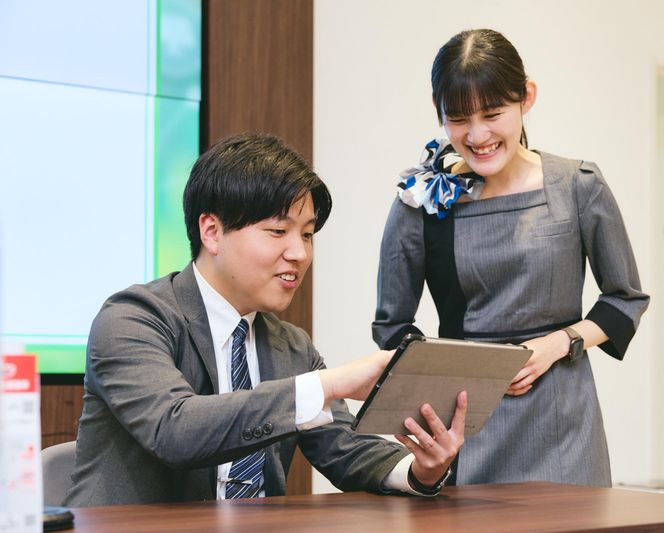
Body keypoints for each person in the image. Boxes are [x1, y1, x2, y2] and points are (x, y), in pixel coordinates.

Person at [64, 132, 466, 506]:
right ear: (212, 232)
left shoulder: (290, 345)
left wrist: (419, 469)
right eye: (277, 231)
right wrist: (330, 384)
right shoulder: (132, 319)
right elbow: (174, 430)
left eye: (307, 234)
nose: (300, 254)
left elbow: (344, 449)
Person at [373, 29, 649, 487]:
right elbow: (392, 326)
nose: (477, 135)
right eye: (458, 119)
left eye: (492, 114)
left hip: (564, 425)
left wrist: (555, 345)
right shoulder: (422, 202)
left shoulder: (577, 186)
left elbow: (624, 300)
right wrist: (445, 390)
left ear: (527, 98)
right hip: (467, 424)